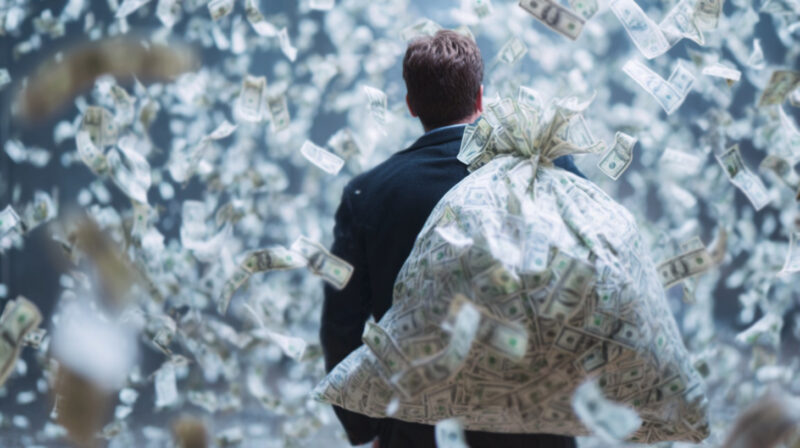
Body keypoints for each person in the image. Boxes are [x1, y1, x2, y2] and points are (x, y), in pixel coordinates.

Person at [320, 30, 583, 448]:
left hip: (418, 431)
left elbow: (341, 328)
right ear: (480, 98)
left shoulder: (366, 195)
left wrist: (367, 427)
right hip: (534, 426)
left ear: (410, 105)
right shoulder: (543, 167)